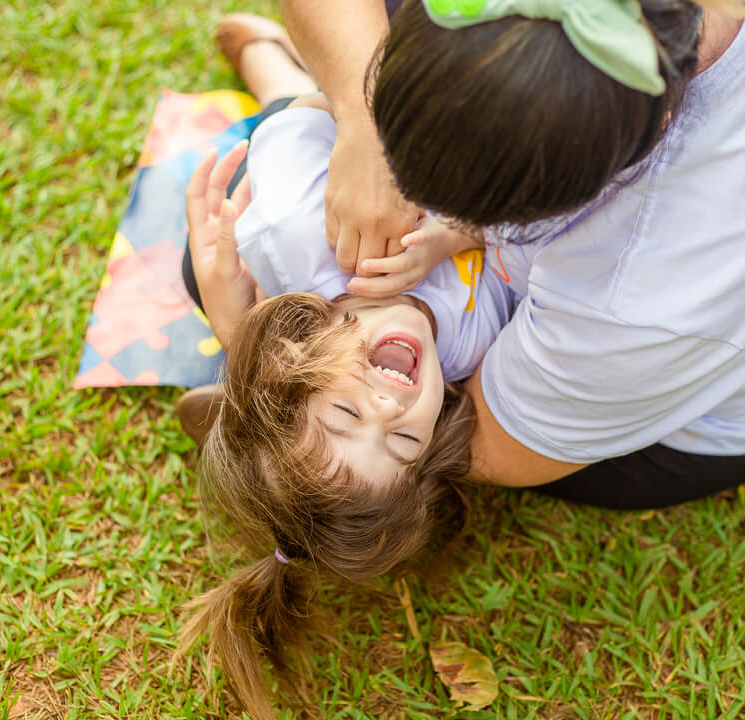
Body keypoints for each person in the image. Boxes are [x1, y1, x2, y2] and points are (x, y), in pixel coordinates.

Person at [279, 0, 745, 508]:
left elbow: (486, 446)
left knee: (240, 250)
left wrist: (267, 367)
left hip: (676, 426)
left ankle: (274, 75)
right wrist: (362, 122)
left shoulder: (643, 296)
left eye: (502, 212)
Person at [174, 26, 514, 717]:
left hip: (326, 126)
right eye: (404, 442)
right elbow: (534, 240)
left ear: (292, 366)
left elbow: (309, 115)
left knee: (284, 92)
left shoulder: (292, 231)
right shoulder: (471, 341)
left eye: (347, 415)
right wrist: (457, 231)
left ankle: (265, 56)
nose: (390, 410)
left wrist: (368, 141)